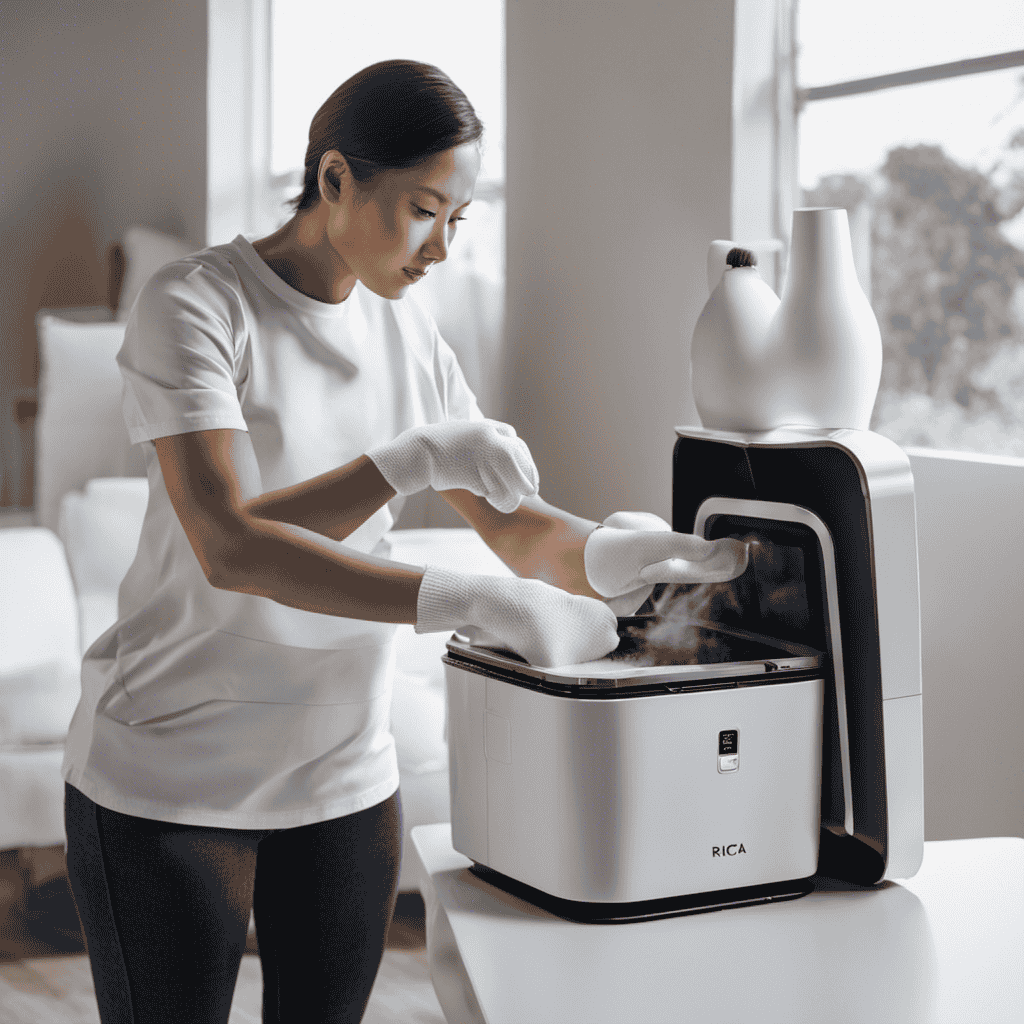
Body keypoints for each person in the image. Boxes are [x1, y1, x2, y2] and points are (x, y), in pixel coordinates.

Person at [62, 60, 748, 1023]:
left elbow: (513, 526)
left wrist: (612, 558)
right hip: (171, 774)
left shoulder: (414, 337)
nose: (441, 248)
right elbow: (231, 545)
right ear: (335, 178)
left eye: (460, 219)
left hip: (342, 771)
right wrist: (420, 500)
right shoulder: (196, 304)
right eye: (425, 210)